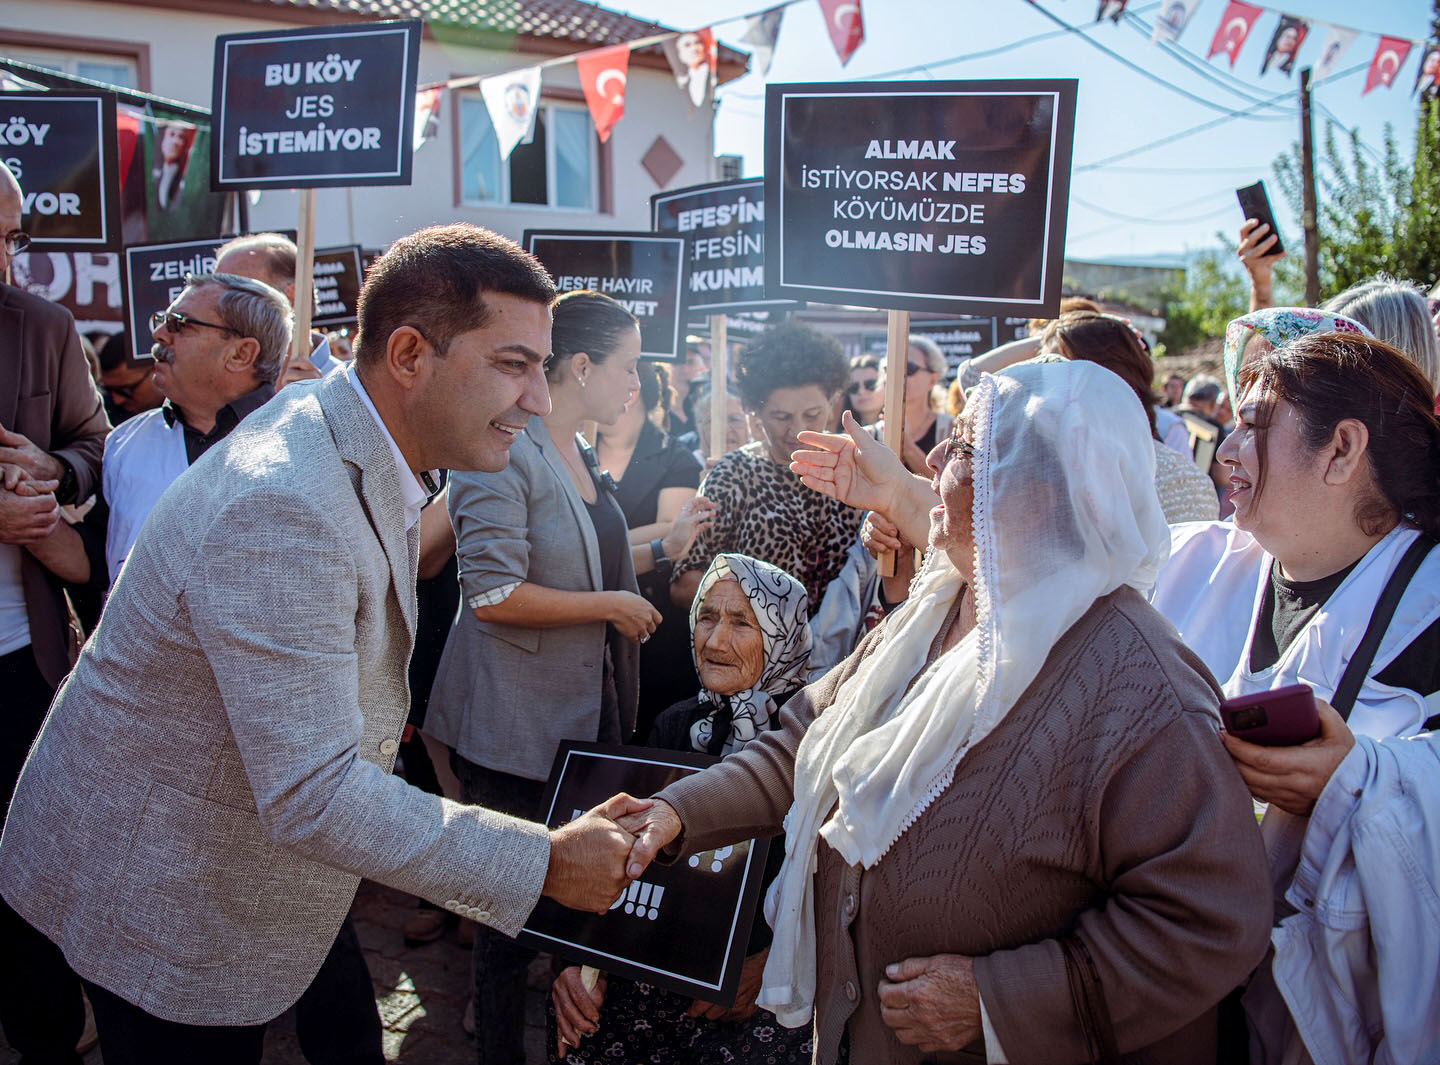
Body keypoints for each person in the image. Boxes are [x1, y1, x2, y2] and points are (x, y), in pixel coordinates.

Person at [0, 223, 646, 1065]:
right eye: (514, 365)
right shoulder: (288, 504)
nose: (541, 399)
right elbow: (314, 790)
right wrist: (545, 862)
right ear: (409, 354)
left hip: (216, 871)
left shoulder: (348, 430)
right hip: (156, 897)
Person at [622, 361, 1273, 1064]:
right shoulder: (938, 608)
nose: (931, 458)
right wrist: (676, 812)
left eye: (963, 445)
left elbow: (1210, 919)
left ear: (1032, 487)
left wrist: (997, 999)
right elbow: (806, 739)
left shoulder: (1140, 682)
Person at [424, 290, 707, 1065]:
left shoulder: (576, 447)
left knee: (573, 917)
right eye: (629, 365)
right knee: (508, 924)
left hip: (582, 721)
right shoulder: (502, 449)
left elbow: (585, 549)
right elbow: (491, 594)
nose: (638, 385)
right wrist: (612, 605)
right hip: (511, 728)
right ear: (581, 366)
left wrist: (658, 553)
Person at [1147, 331, 1440, 1063]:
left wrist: (1359, 778)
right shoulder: (1202, 559)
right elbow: (1059, 551)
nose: (1226, 452)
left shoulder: (1429, 603)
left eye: (1255, 427)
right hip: (1196, 992)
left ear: (1342, 449)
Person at [549, 554, 813, 1065]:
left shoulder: (808, 735)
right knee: (583, 1022)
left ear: (782, 635)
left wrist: (768, 964)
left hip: (763, 965)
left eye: (742, 622)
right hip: (664, 949)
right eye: (708, 616)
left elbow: (829, 876)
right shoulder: (677, 723)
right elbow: (620, 846)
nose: (713, 640)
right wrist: (577, 962)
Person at [0, 159, 110, 1065]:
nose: (8, 257)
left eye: (13, 236)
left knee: (26, 875)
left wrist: (54, 470)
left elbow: (92, 445)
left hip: (19, 657)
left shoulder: (42, 326)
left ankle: (47, 1038)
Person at [102, 273, 287, 581]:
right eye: (163, 320)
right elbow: (92, 560)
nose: (160, 334)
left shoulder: (303, 441)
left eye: (181, 324)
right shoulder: (123, 443)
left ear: (241, 354)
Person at [671, 320, 862, 616]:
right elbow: (684, 584)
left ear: (833, 402)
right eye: (781, 416)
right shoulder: (733, 475)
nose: (797, 430)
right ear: (756, 411)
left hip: (846, 656)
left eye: (812, 414)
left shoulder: (857, 469)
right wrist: (754, 618)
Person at [596, 360, 710, 735]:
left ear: (634, 394)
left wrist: (585, 537)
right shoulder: (578, 447)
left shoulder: (672, 455)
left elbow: (670, 525)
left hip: (650, 619)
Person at [1040, 310, 1219, 522]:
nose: (1041, 390)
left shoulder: (1182, 482)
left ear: (1104, 379)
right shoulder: (1045, 466)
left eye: (1054, 372)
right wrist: (1064, 331)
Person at [214, 232, 345, 378]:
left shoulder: (351, 388)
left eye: (237, 290)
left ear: (292, 296)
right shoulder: (217, 387)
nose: (219, 304)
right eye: (216, 289)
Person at [887, 335, 950, 474]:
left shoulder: (949, 429)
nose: (899, 375)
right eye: (890, 368)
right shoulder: (870, 433)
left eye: (909, 368)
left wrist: (908, 447)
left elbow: (948, 490)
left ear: (933, 379)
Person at [97, 331, 164, 423]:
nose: (117, 400)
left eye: (125, 391)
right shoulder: (103, 416)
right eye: (108, 390)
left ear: (157, 369)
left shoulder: (187, 413)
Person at [840, 354, 883, 426]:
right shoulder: (841, 433)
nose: (861, 391)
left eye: (870, 384)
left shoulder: (902, 429)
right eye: (854, 387)